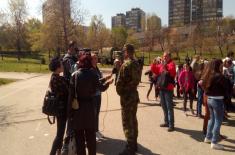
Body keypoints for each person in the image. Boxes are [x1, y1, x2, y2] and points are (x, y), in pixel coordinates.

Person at [68, 54, 113, 155]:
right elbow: (101, 88)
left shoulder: (74, 75)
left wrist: (69, 114)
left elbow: (70, 97)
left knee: (79, 140)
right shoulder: (93, 74)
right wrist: (108, 83)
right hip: (89, 108)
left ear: (80, 63)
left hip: (77, 110)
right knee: (91, 138)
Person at [116, 44, 141, 155]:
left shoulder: (125, 65)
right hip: (134, 95)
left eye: (124, 51)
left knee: (127, 122)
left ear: (127, 52)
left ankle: (129, 147)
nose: (123, 52)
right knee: (133, 120)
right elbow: (137, 80)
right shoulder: (136, 64)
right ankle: (134, 144)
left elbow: (119, 84)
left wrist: (121, 92)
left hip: (127, 97)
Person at [201, 59, 229, 150]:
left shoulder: (208, 75)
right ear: (218, 65)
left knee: (212, 119)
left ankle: (208, 137)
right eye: (221, 64)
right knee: (218, 121)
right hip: (217, 100)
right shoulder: (219, 76)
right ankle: (214, 142)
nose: (222, 66)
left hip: (209, 99)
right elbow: (227, 86)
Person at [48, 57, 69, 155]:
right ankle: (53, 153)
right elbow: (66, 91)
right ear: (57, 68)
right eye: (61, 65)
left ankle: (58, 152)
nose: (63, 66)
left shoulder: (55, 77)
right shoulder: (57, 79)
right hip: (61, 110)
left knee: (60, 133)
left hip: (60, 109)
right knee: (60, 134)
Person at [61, 41, 78, 155]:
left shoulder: (71, 57)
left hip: (71, 89)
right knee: (71, 117)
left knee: (73, 117)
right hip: (69, 91)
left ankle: (70, 142)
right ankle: (66, 145)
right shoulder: (67, 58)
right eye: (74, 48)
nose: (75, 50)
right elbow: (73, 71)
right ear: (70, 48)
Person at [91, 53, 112, 141]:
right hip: (93, 95)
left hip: (98, 94)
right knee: (93, 114)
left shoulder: (96, 68)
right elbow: (96, 82)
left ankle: (96, 130)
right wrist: (107, 81)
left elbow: (99, 79)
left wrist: (106, 78)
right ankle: (93, 133)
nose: (96, 59)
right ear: (91, 60)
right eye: (94, 58)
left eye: (96, 58)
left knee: (97, 114)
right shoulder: (91, 69)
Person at [157, 51, 176, 132]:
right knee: (164, 106)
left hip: (168, 88)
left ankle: (171, 125)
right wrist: (154, 63)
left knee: (169, 107)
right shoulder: (163, 64)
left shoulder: (172, 64)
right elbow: (156, 70)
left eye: (166, 56)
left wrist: (165, 66)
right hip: (162, 88)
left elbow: (171, 73)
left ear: (169, 57)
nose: (164, 58)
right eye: (164, 56)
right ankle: (166, 122)